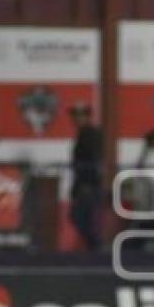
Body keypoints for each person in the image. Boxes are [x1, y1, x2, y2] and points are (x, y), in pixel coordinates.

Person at [69, 102, 102, 251]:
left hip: (88, 184)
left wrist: (87, 183)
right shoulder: (83, 133)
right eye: (75, 116)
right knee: (82, 217)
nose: (77, 119)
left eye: (80, 116)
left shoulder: (90, 134)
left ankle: (95, 245)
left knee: (81, 216)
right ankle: (94, 245)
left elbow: (92, 160)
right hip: (83, 183)